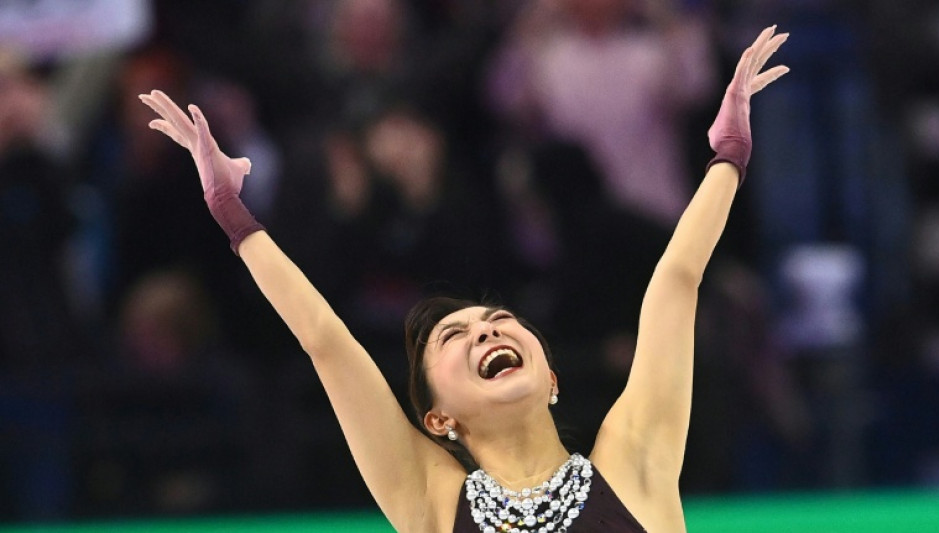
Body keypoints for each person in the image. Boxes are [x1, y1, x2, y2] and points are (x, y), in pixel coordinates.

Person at [139, 25, 788, 533]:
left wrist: (727, 154)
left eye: (499, 322)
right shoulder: (432, 502)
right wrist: (236, 219)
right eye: (456, 335)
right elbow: (326, 341)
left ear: (552, 377)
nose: (488, 330)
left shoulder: (634, 461)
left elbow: (675, 279)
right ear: (438, 415)